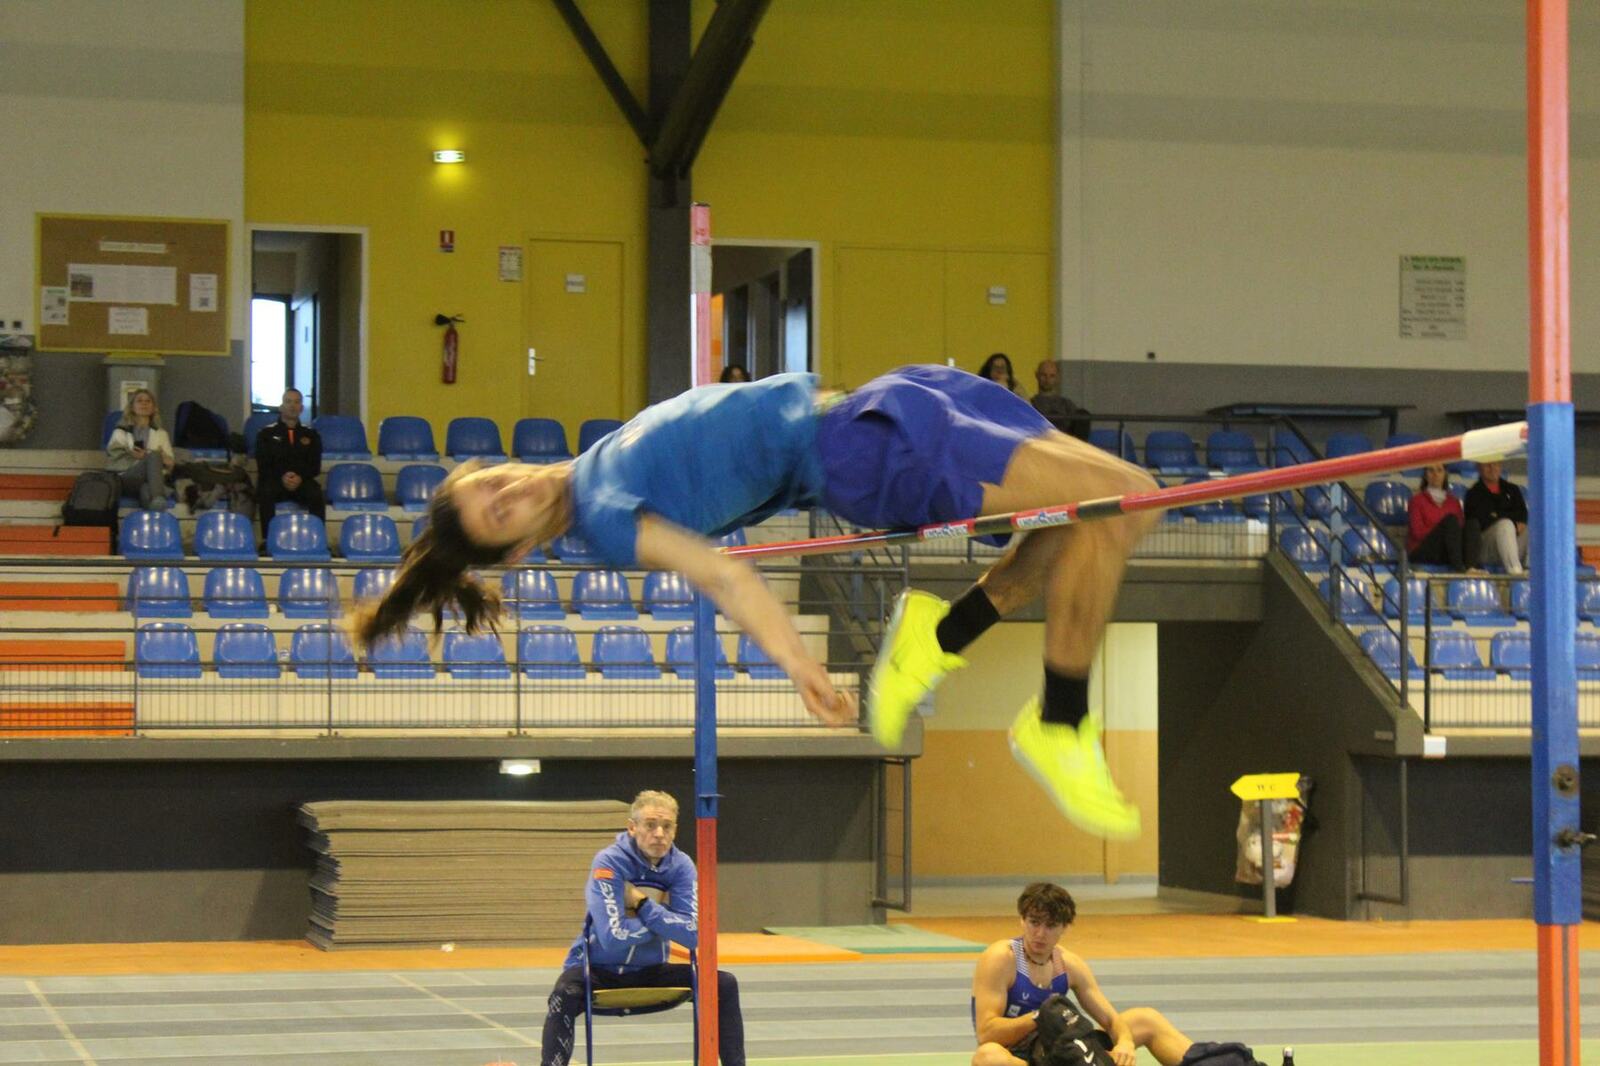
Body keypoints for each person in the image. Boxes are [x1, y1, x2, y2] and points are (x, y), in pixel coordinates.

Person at [351, 366, 1157, 838]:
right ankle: (1058, 719)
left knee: (1107, 509)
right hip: (863, 448)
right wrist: (799, 663)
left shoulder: (594, 459)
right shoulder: (603, 514)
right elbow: (726, 575)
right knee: (1122, 501)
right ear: (521, 550)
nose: (511, 487)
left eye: (491, 480)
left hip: (878, 400)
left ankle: (940, 634)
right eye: (500, 512)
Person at [540, 790, 743, 1066]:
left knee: (724, 984)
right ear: (632, 828)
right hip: (598, 971)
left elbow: (695, 936)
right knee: (563, 994)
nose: (659, 833)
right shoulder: (608, 862)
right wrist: (666, 923)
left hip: (651, 972)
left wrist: (643, 904)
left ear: (675, 830)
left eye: (667, 826)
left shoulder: (682, 866)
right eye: (650, 825)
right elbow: (612, 937)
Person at [972, 882, 1193, 1066]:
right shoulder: (1002, 958)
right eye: (1034, 923)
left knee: (1145, 1019)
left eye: (1050, 925)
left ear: (1064, 928)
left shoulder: (1069, 965)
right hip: (1022, 1057)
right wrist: (1040, 1018)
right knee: (987, 1057)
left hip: (1067, 1050)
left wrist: (1124, 1042)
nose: (1040, 934)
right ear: (1022, 920)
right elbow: (987, 1033)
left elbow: (1110, 1019)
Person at [254, 388, 325, 538]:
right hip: (275, 481)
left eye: (297, 402)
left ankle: (318, 539)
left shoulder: (311, 434)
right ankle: (268, 540)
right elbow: (263, 464)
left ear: (302, 408)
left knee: (316, 493)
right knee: (265, 492)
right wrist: (283, 476)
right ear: (281, 407)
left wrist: (299, 477)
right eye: (288, 402)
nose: (292, 406)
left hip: (302, 481)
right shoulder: (265, 434)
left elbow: (315, 465)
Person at [105, 388, 174, 510]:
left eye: (148, 401)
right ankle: (159, 496)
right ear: (132, 407)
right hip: (125, 478)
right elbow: (114, 458)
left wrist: (161, 459)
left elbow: (170, 464)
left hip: (150, 481)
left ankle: (155, 511)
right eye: (139, 401)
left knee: (147, 491)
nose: (144, 404)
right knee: (153, 455)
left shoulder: (161, 434)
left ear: (153, 408)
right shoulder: (121, 431)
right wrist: (139, 456)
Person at [1464, 461, 1529, 574]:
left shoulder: (1512, 489)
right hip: (1487, 547)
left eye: (1496, 464)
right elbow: (1481, 521)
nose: (1492, 468)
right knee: (1505, 525)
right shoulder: (1473, 493)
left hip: (1512, 543)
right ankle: (1515, 572)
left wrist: (1498, 515)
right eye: (1487, 464)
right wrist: (1511, 521)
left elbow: (1522, 515)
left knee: (1533, 529)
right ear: (1479, 467)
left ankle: (1531, 571)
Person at [1406, 463, 1474, 571]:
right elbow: (1417, 532)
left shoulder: (1454, 502)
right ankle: (1460, 570)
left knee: (1472, 524)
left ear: (1445, 474)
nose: (1435, 474)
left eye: (1439, 470)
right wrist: (1442, 529)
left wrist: (1446, 531)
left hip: (1446, 550)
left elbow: (1459, 530)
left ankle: (1471, 567)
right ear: (1425, 475)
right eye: (1431, 470)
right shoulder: (1416, 501)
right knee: (1450, 521)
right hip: (1422, 550)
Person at [1029, 359, 1089, 440]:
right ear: (1037, 375)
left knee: (1083, 414)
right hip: (1040, 443)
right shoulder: (1030, 403)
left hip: (1064, 445)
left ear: (1057, 378)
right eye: (1044, 375)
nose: (1047, 379)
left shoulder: (1066, 404)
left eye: (1052, 376)